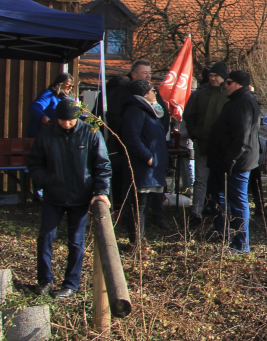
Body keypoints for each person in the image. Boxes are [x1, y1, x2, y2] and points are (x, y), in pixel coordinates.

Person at [27, 102, 112, 298]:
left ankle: (71, 284)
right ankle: (45, 280)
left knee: (76, 242)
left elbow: (103, 165)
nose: (66, 124)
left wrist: (100, 191)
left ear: (78, 118)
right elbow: (34, 162)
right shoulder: (46, 135)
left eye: (70, 120)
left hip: (81, 197)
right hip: (53, 195)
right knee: (45, 238)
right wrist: (45, 181)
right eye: (63, 121)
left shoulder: (91, 133)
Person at [206, 70, 261, 253]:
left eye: (228, 83)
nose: (225, 86)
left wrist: (229, 159)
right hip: (228, 160)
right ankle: (224, 233)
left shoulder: (243, 103)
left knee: (238, 201)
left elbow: (241, 137)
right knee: (217, 195)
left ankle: (241, 244)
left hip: (236, 162)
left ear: (238, 84)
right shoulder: (238, 101)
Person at [120, 78, 169, 243]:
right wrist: (147, 157)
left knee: (142, 207)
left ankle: (138, 242)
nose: (155, 93)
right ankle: (135, 244)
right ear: (145, 93)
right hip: (142, 166)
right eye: (152, 90)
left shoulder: (149, 110)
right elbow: (131, 137)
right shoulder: (135, 110)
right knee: (138, 207)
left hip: (151, 168)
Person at [182, 62, 229, 223]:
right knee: (200, 179)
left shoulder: (229, 95)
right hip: (202, 143)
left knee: (221, 181)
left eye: (216, 76)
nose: (213, 78)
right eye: (211, 76)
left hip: (222, 147)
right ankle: (196, 213)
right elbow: (190, 117)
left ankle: (220, 212)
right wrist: (194, 134)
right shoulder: (200, 95)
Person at [28, 72, 73, 137]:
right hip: (42, 135)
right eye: (68, 85)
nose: (70, 88)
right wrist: (42, 117)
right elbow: (34, 107)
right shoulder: (49, 95)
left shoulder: (70, 98)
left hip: (61, 135)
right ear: (59, 84)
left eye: (72, 86)